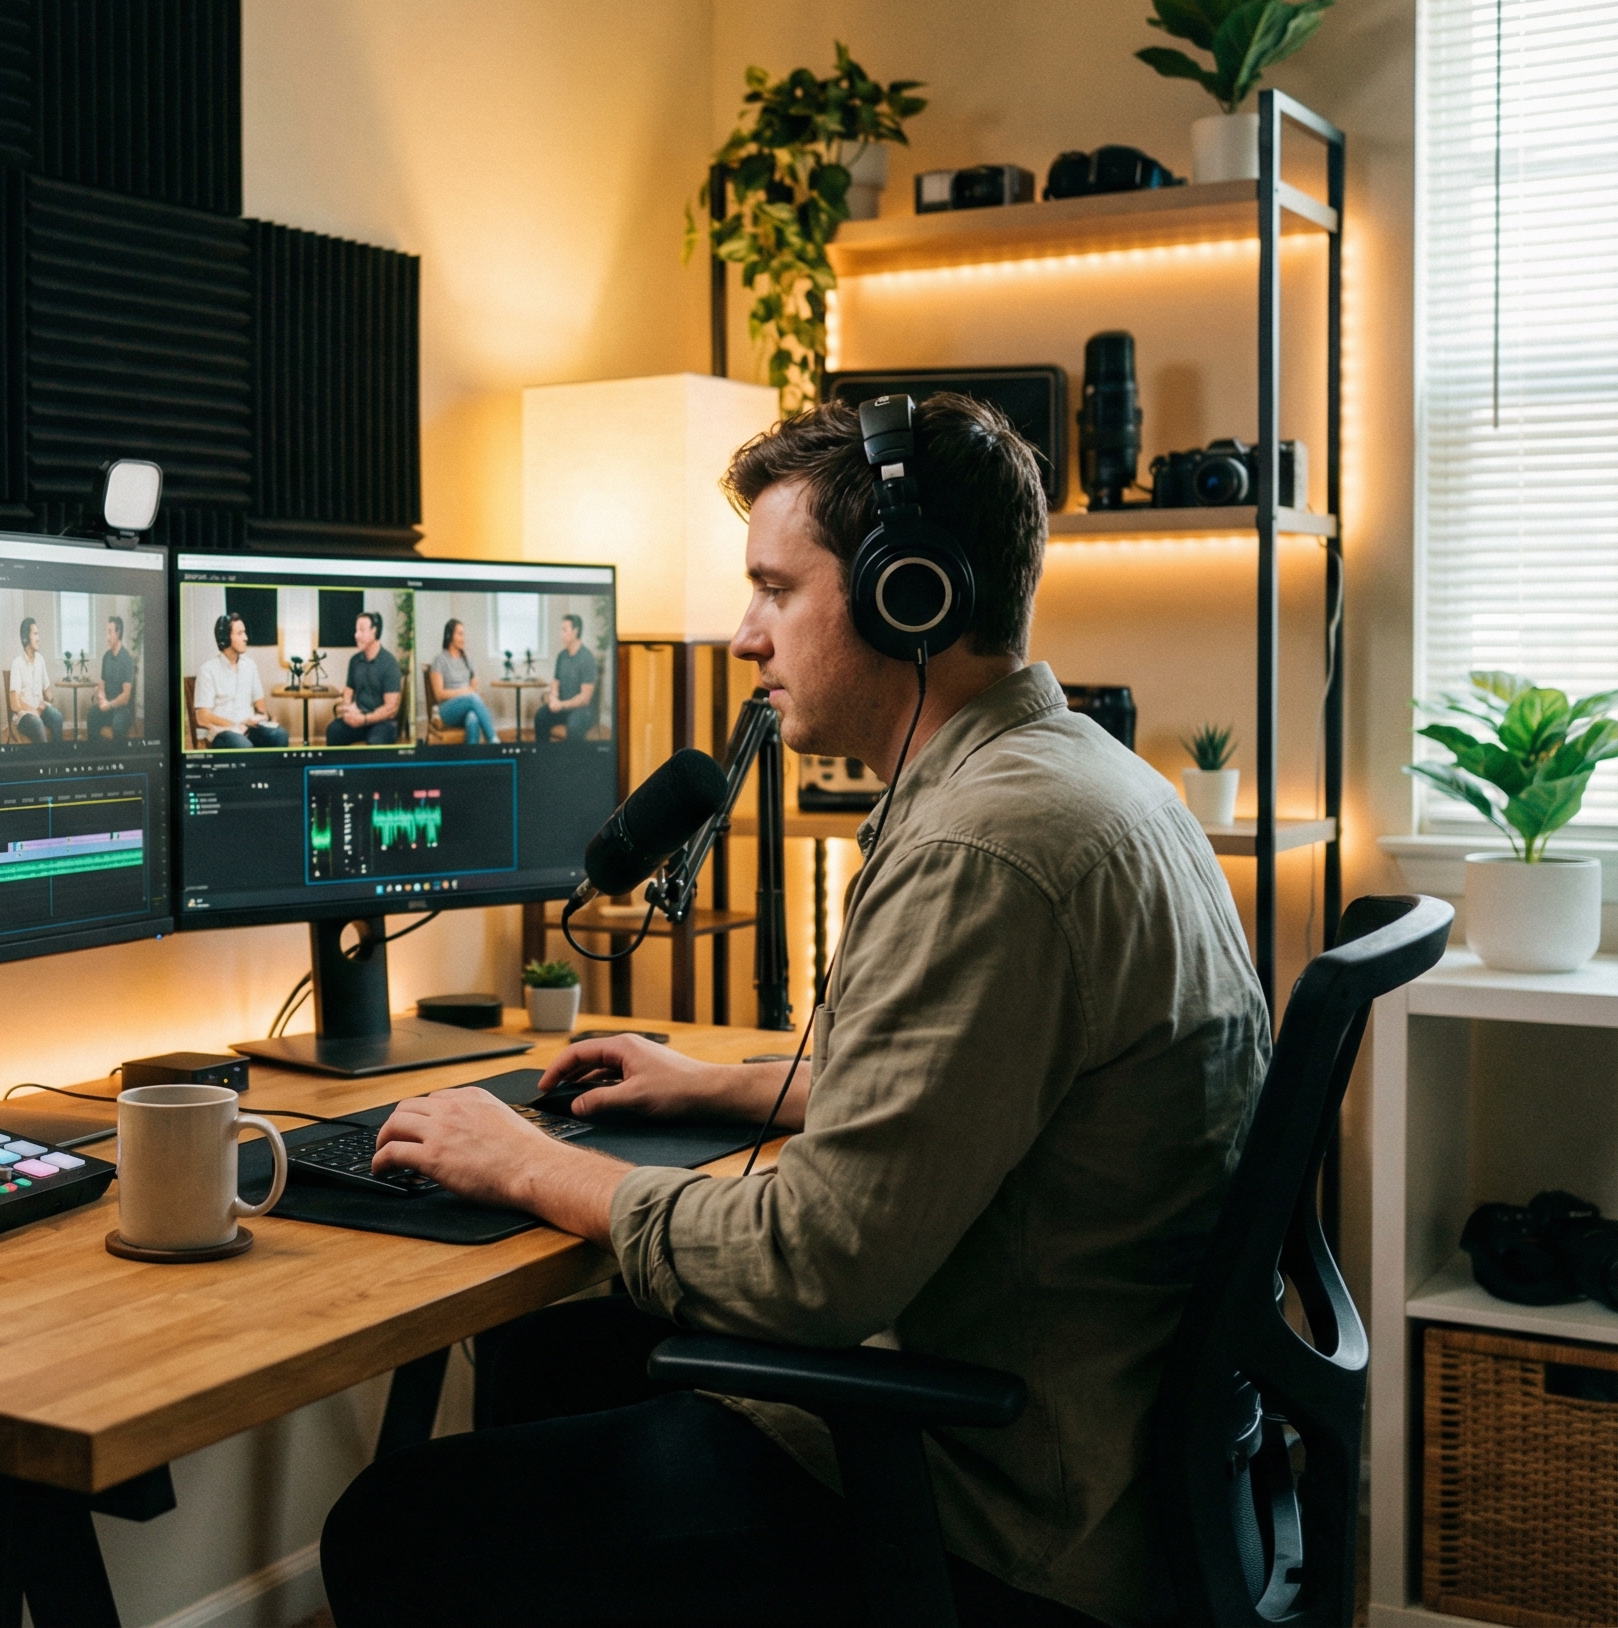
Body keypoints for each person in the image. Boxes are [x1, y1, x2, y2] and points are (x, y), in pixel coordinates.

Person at [320, 394, 1269, 1628]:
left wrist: (533, 1165)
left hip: (998, 1515)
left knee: (398, 1530)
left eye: (776, 588)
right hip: (1095, 1437)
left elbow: (813, 1266)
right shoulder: (1086, 781)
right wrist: (717, 1082)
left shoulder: (989, 851)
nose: (741, 635)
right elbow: (996, 1092)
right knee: (550, 1357)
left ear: (906, 593)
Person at [194, 612, 288, 748]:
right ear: (225, 638)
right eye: (240, 633)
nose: (246, 638)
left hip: (249, 728)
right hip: (223, 732)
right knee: (243, 745)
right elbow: (202, 717)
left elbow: (260, 704)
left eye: (245, 633)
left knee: (279, 735)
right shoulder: (208, 670)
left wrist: (264, 718)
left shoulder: (250, 665)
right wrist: (236, 725)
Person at [326, 609, 404, 745]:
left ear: (374, 631)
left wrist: (365, 719)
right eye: (356, 630)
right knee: (333, 730)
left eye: (361, 630)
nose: (356, 635)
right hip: (360, 717)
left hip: (382, 722)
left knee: (375, 741)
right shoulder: (354, 661)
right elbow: (349, 690)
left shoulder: (389, 663)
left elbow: (391, 708)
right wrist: (348, 708)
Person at [426, 618, 497, 743]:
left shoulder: (467, 660)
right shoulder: (439, 660)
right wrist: (466, 691)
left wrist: (471, 690)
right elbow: (439, 695)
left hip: (466, 707)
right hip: (446, 710)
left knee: (473, 718)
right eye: (460, 634)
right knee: (471, 698)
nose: (463, 638)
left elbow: (474, 687)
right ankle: (493, 741)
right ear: (449, 635)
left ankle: (469, 760)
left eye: (463, 634)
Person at [531, 612, 598, 743]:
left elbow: (585, 698)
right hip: (563, 706)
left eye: (564, 630)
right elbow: (555, 682)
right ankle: (544, 757)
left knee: (574, 725)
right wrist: (554, 698)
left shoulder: (587, 658)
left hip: (582, 710)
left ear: (575, 631)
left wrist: (561, 705)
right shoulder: (562, 656)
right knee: (540, 716)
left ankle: (570, 762)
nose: (561, 634)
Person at [6, 616, 63, 744]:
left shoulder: (40, 660)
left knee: (57, 717)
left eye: (38, 634)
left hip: (39, 710)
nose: (39, 639)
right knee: (37, 724)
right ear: (26, 637)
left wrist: (49, 701)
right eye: (35, 634)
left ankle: (57, 758)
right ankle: (41, 761)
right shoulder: (17, 663)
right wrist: (33, 710)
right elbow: (15, 704)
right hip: (24, 716)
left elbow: (48, 693)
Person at [88, 614, 136, 739]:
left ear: (118, 633)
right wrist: (100, 694)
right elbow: (102, 684)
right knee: (92, 715)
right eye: (106, 632)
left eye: (110, 632)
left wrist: (108, 705)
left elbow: (126, 697)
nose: (107, 637)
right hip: (108, 706)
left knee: (118, 723)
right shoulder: (106, 657)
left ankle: (117, 757)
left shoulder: (127, 660)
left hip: (122, 710)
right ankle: (95, 754)